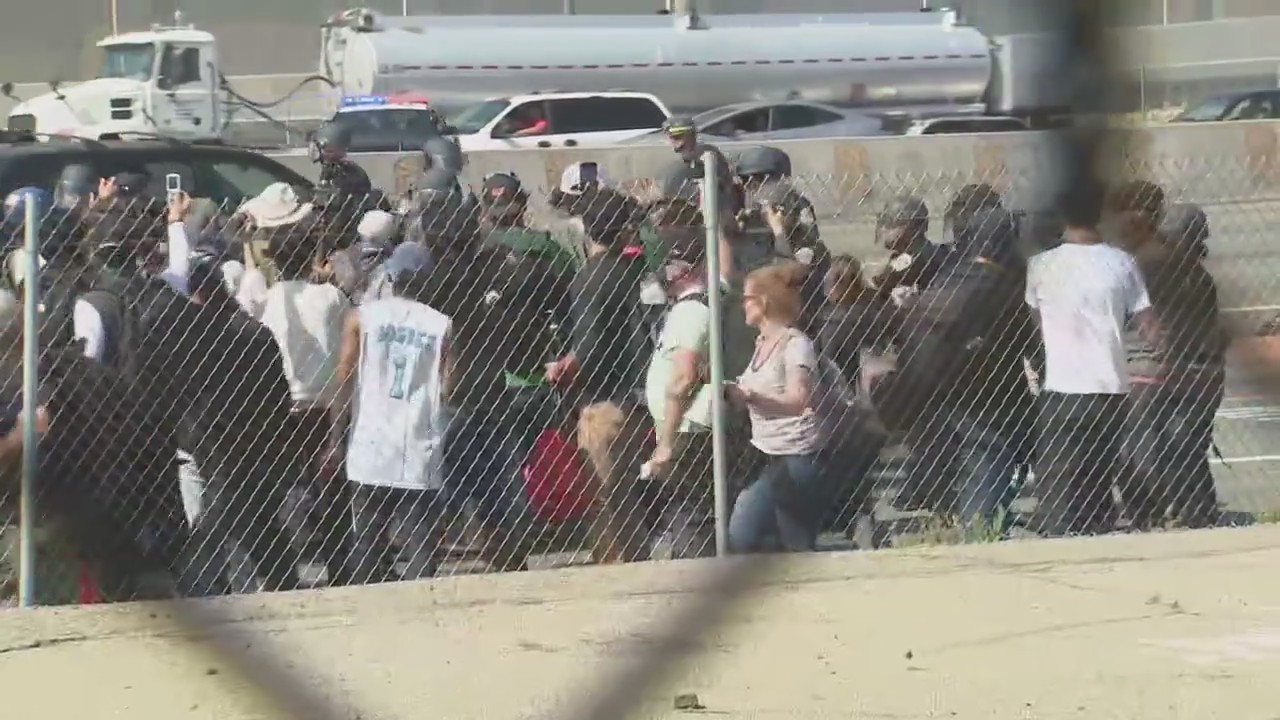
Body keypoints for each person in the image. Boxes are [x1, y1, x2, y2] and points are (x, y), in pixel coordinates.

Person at [1023, 181, 1162, 537]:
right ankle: (1096, 534)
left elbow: (1038, 326)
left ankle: (1063, 535)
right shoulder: (1123, 262)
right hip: (1110, 387)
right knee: (1099, 476)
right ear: (1100, 213)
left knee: (1059, 482)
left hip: (1062, 386)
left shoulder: (1040, 266)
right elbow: (1149, 326)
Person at [887, 209, 1041, 528]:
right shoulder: (999, 280)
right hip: (990, 390)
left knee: (979, 456)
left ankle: (978, 517)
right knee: (990, 455)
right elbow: (1023, 335)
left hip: (948, 387)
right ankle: (982, 525)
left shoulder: (954, 272)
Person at [327, 242, 447, 583]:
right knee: (420, 543)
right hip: (417, 443)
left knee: (367, 541)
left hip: (371, 444)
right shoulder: (440, 325)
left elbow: (344, 376)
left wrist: (336, 438)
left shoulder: (362, 318)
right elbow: (448, 385)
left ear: (391, 277)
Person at [1109, 184, 1226, 529]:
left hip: (1149, 368)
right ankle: (1195, 509)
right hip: (1199, 372)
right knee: (1185, 445)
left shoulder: (1149, 268)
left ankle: (1148, 512)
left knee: (1141, 443)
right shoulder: (1200, 277)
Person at [725, 261, 827, 553]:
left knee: (744, 532)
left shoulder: (795, 345)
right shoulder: (761, 344)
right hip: (767, 455)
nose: (742, 304)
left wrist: (752, 397)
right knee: (791, 544)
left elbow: (799, 400)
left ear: (764, 302)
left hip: (796, 456)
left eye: (746, 298)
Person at [871, 194, 950, 305]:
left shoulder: (926, 257)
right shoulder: (902, 258)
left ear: (913, 226)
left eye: (891, 223)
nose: (884, 229)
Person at [658, 115, 737, 214]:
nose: (675, 143)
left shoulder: (707, 154)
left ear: (692, 136)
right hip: (680, 207)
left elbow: (722, 185)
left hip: (710, 208)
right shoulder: (677, 160)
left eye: (677, 137)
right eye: (671, 138)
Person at [311, 123, 373, 197]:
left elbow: (339, 199)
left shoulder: (349, 171)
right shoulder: (329, 169)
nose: (324, 154)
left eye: (329, 151)